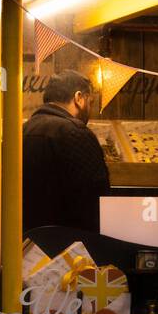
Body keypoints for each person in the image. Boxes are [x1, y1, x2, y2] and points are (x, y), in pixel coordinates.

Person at [22, 69, 111, 234]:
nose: (90, 109)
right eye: (90, 102)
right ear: (78, 98)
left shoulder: (23, 131)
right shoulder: (75, 132)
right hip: (65, 243)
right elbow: (95, 196)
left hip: (25, 241)